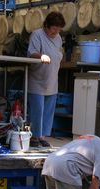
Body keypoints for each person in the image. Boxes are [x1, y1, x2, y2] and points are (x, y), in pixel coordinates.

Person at [27, 11, 65, 148]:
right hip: (37, 79)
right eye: (54, 28)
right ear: (47, 25)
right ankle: (34, 136)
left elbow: (59, 51)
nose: (56, 31)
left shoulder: (58, 37)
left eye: (59, 29)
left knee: (48, 111)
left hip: (52, 79)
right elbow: (32, 52)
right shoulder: (37, 35)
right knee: (37, 110)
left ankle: (42, 136)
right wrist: (40, 56)